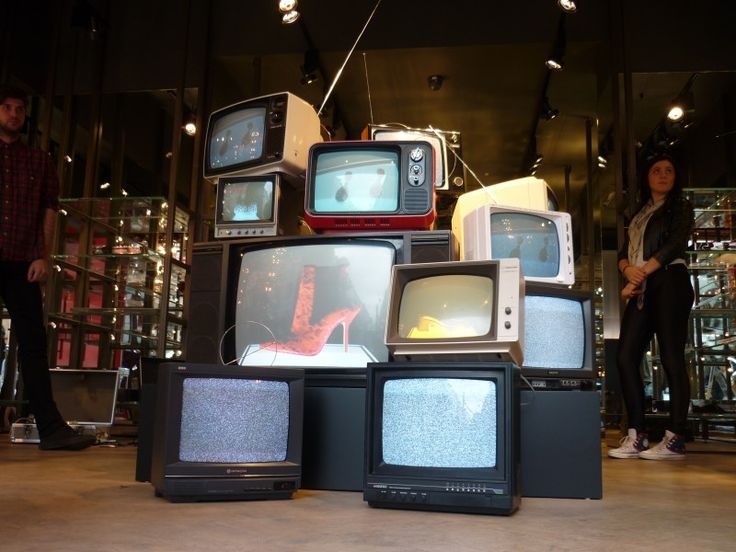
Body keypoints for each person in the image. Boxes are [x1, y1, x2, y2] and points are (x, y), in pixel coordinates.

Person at [0, 84, 96, 450]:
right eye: (7, 107)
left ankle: (50, 429)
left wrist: (44, 256)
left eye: (19, 109)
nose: (13, 115)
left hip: (25, 261)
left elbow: (49, 210)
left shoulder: (39, 161)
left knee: (35, 345)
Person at [608, 151, 694, 460]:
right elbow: (623, 251)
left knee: (671, 358)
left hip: (670, 281)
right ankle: (637, 434)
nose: (663, 175)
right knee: (626, 356)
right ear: (647, 177)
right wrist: (626, 269)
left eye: (669, 170)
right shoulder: (639, 214)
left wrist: (638, 273)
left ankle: (675, 437)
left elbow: (674, 244)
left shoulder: (680, 207)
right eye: (657, 170)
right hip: (643, 287)